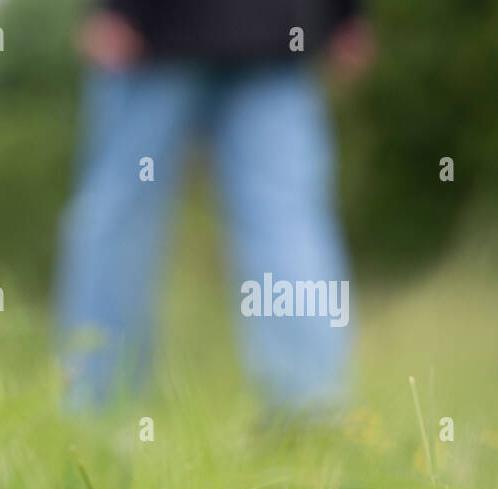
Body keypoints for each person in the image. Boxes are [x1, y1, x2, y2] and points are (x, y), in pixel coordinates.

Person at [54, 0, 375, 414]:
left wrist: (120, 8)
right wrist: (344, 14)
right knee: (287, 223)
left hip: (155, 30)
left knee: (120, 217)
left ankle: (95, 403)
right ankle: (311, 409)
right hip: (278, 26)